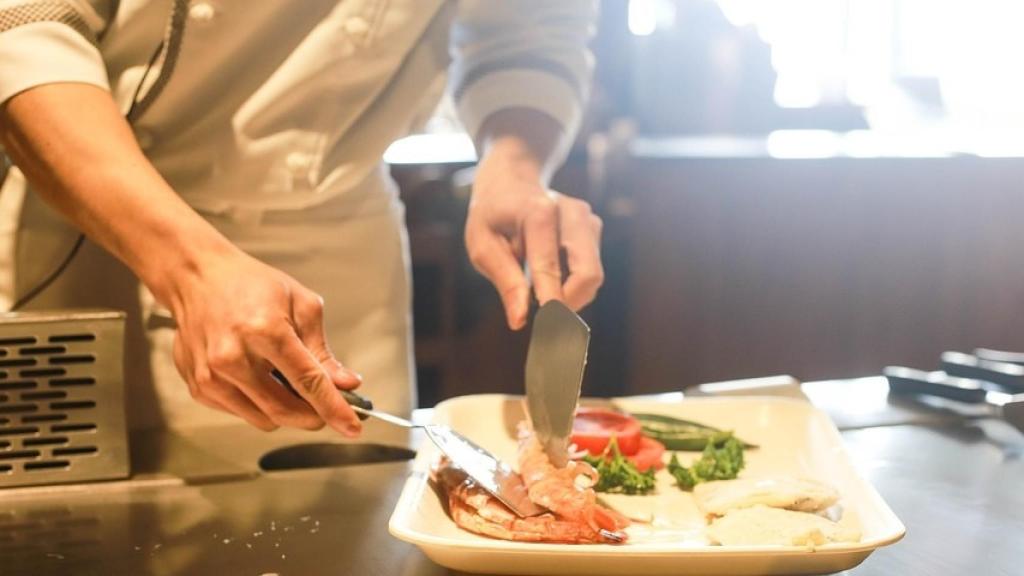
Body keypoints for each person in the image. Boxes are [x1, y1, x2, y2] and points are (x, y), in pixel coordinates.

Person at [0, 1, 604, 435]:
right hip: (104, 212)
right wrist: (189, 269)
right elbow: (25, 29)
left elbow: (530, 34)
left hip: (339, 245)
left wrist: (516, 165)